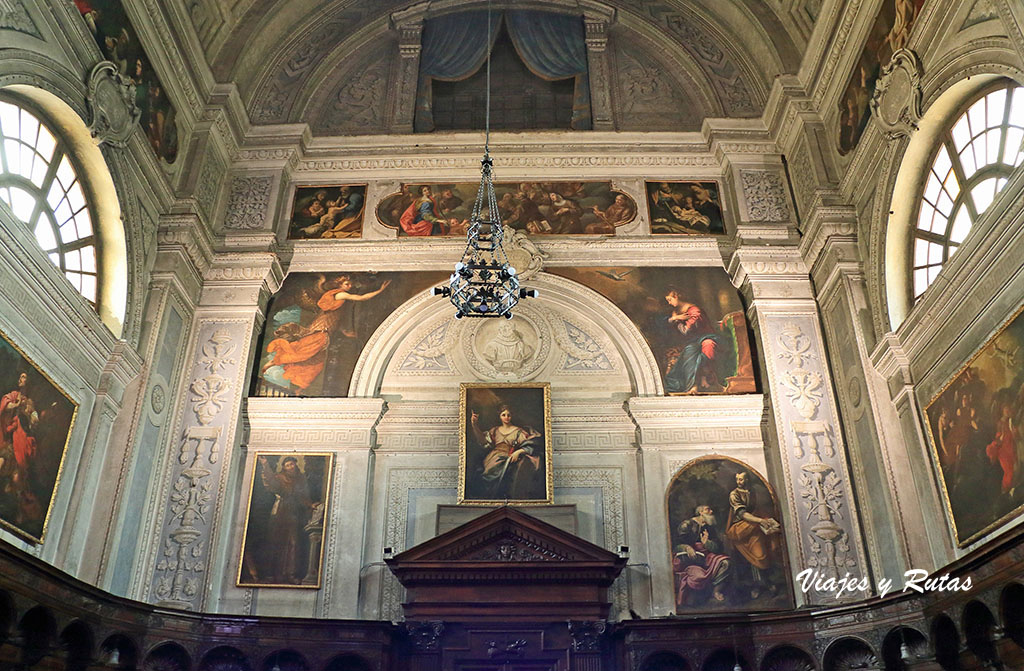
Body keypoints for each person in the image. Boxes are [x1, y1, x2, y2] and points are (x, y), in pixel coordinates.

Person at [262, 276, 391, 392]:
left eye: (350, 284)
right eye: (347, 284)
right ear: (340, 285)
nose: (349, 286)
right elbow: (360, 298)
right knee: (302, 353)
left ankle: (298, 388)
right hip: (321, 332)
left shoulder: (334, 298)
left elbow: (335, 319)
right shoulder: (340, 294)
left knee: (316, 363)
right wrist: (379, 291)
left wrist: (345, 332)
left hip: (324, 332)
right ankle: (272, 363)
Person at [256, 456, 313, 584]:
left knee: (293, 543)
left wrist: (310, 505)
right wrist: (265, 465)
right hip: (280, 512)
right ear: (284, 467)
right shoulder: (280, 478)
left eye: (292, 464)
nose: (290, 467)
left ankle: (291, 574)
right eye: (287, 465)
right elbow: (270, 482)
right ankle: (274, 574)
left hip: (294, 514)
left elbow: (303, 497)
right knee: (277, 543)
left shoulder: (300, 480)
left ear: (296, 465)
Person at [725, 472, 781, 599]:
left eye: (741, 479)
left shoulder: (752, 491)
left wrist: (762, 520)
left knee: (763, 551)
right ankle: (757, 585)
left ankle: (765, 582)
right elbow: (742, 514)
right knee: (754, 556)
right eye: (737, 479)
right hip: (740, 528)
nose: (739, 482)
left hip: (752, 524)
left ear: (747, 480)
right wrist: (760, 521)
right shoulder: (734, 494)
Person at [469, 404, 544, 500]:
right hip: (491, 458)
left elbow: (531, 443)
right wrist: (474, 425)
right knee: (484, 474)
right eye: (503, 415)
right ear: (499, 416)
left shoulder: (518, 431)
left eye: (509, 415)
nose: (506, 417)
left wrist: (519, 451)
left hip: (508, 457)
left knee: (497, 465)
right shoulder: (495, 430)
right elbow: (483, 441)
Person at [663, 291, 722, 394]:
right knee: (689, 351)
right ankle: (693, 385)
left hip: (707, 337)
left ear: (676, 296)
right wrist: (675, 318)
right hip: (694, 342)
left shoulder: (694, 311)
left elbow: (686, 331)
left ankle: (705, 379)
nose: (669, 303)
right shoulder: (678, 312)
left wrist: (676, 320)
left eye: (670, 299)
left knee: (707, 346)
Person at [673, 504, 731, 605]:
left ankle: (716, 590)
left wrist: (707, 543)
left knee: (726, 562)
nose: (711, 511)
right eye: (707, 509)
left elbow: (718, 548)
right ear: (700, 512)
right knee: (698, 575)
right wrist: (687, 547)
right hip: (690, 558)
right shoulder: (687, 525)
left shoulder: (709, 527)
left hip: (707, 557)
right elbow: (675, 545)